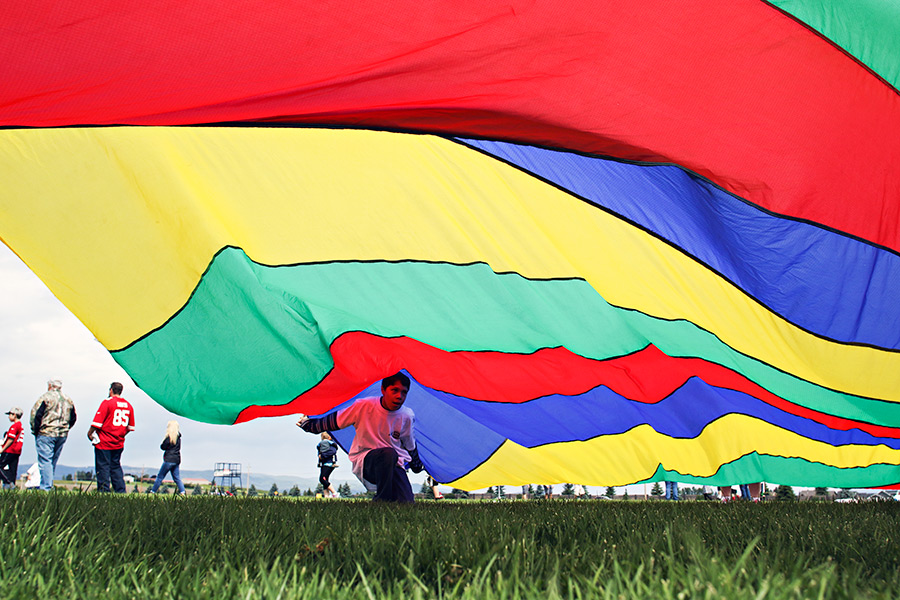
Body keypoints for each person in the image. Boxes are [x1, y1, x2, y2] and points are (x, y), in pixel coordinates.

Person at [297, 372, 423, 502]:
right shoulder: (364, 406)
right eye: (394, 390)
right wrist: (309, 425)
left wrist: (416, 465)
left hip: (395, 463)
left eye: (404, 392)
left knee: (407, 502)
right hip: (368, 461)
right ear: (383, 390)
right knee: (388, 453)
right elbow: (336, 421)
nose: (399, 396)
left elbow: (409, 444)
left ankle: (392, 497)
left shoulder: (406, 416)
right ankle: (382, 500)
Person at [87, 382, 135, 493]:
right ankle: (120, 490)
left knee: (103, 467)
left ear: (111, 390)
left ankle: (104, 490)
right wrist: (120, 434)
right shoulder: (128, 405)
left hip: (104, 442)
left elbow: (97, 423)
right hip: (118, 442)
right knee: (116, 467)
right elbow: (130, 427)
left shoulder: (107, 403)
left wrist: (90, 433)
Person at [30, 378, 77, 490]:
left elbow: (36, 415)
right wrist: (65, 428)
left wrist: (35, 430)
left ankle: (46, 487)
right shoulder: (68, 400)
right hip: (61, 434)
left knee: (45, 460)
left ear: (50, 386)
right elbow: (73, 417)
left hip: (46, 432)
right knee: (52, 461)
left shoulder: (45, 398)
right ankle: (48, 484)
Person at [150, 421, 185, 494]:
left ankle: (153, 491)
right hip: (177, 460)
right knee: (177, 478)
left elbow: (163, 447)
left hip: (168, 460)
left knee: (160, 477)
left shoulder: (169, 438)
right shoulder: (178, 438)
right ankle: (183, 492)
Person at [1, 407, 25, 489]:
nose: (9, 417)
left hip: (9, 450)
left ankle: (8, 482)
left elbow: (11, 439)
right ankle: (12, 485)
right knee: (13, 469)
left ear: (14, 415)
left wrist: (2, 449)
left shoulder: (14, 426)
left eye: (10, 415)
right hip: (16, 451)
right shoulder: (21, 426)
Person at [316, 432, 339, 498]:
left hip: (328, 464)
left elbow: (332, 452)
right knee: (325, 479)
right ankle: (326, 496)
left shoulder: (328, 444)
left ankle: (334, 493)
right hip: (325, 463)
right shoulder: (328, 444)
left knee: (322, 479)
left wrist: (322, 456)